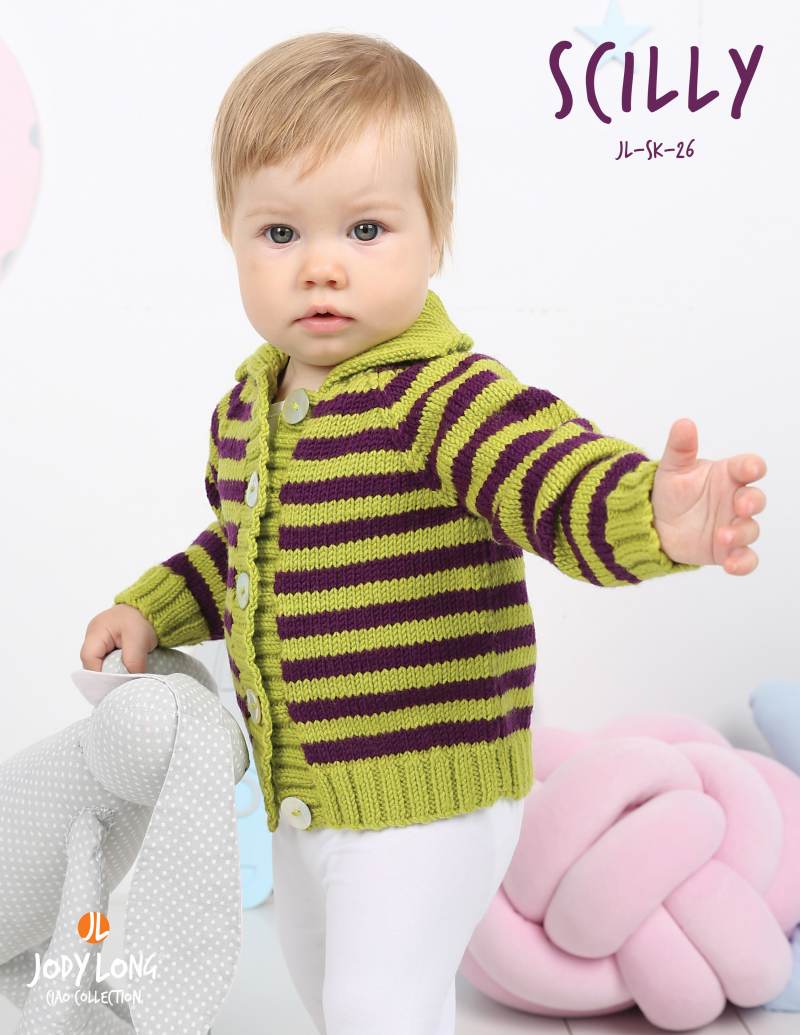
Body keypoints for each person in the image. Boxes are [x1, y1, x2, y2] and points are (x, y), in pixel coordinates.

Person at [79, 31, 768, 1035]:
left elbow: (552, 476)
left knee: (376, 1008)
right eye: (280, 233)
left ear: (435, 234)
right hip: (308, 797)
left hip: (432, 793)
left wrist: (649, 513)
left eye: (365, 229)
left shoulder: (442, 398)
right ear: (230, 234)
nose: (321, 267)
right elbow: (243, 553)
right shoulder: (245, 411)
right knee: (328, 993)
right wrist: (153, 608)